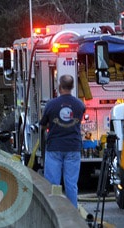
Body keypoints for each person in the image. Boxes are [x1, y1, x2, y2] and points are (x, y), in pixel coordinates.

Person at [38, 74, 85, 208]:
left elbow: (43, 125)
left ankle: (55, 210)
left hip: (54, 148)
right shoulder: (79, 105)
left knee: (53, 184)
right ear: (73, 87)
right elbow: (77, 122)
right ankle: (73, 214)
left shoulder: (51, 104)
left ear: (59, 87)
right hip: (73, 147)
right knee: (71, 184)